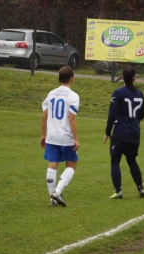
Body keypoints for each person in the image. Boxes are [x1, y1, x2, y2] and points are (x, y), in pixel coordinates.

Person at [104, 67, 144, 199]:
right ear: (134, 78)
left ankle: (118, 191)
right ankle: (140, 188)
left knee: (115, 161)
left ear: (122, 77)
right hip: (135, 132)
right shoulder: (140, 94)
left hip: (120, 132)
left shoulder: (118, 93)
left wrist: (108, 131)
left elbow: (112, 114)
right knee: (132, 160)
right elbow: (142, 114)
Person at [40, 65, 80, 207]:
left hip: (52, 136)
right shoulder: (73, 96)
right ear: (72, 79)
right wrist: (75, 139)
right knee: (72, 165)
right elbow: (72, 118)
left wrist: (43, 135)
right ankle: (57, 191)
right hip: (66, 136)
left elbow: (44, 116)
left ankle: (52, 198)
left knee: (52, 165)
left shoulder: (51, 94)